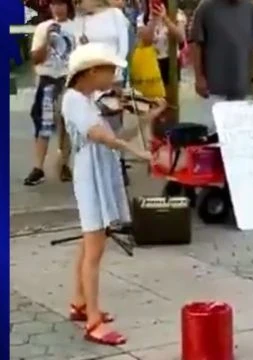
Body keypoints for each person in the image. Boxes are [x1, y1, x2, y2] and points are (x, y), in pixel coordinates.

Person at [61, 42, 167, 345]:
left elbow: (117, 136)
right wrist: (140, 154)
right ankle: (93, 320)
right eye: (111, 71)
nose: (115, 78)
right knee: (94, 250)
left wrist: (149, 117)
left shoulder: (89, 99)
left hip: (100, 174)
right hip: (89, 177)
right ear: (92, 71)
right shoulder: (74, 100)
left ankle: (79, 303)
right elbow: (102, 136)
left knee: (90, 241)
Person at [190, 0, 253, 130]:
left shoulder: (251, 10)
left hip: (243, 87)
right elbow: (196, 44)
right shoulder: (205, 8)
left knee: (240, 131)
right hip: (214, 89)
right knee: (214, 133)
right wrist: (199, 77)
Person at [74, 0, 132, 183]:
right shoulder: (81, 20)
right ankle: (97, 166)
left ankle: (118, 162)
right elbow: (79, 47)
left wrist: (115, 72)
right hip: (91, 76)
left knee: (114, 120)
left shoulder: (115, 15)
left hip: (113, 75)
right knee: (94, 121)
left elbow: (123, 45)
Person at [24, 0, 77, 185]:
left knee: (67, 123)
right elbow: (36, 59)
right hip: (47, 80)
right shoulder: (42, 28)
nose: (58, 8)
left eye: (62, 4)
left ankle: (64, 164)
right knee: (43, 124)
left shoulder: (76, 27)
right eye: (55, 4)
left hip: (69, 79)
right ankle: (38, 168)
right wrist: (47, 37)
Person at [137, 0, 186, 90]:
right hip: (151, 62)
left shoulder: (176, 14)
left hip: (171, 62)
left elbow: (181, 37)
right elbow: (146, 41)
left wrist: (165, 18)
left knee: (171, 96)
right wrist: (153, 20)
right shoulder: (142, 18)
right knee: (153, 97)